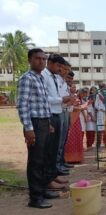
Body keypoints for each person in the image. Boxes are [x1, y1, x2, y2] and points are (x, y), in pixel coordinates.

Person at [17, 48, 58, 208]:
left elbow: (43, 103)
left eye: (43, 59)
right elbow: (22, 105)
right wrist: (28, 128)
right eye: (37, 58)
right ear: (30, 60)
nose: (41, 61)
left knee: (44, 159)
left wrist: (48, 123)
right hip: (34, 123)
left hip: (43, 123)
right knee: (35, 161)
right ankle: (35, 198)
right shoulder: (27, 79)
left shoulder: (40, 78)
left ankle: (42, 189)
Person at [42, 54, 72, 184]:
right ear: (51, 63)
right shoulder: (44, 76)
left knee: (56, 146)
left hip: (59, 111)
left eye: (62, 67)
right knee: (49, 149)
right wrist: (62, 100)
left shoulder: (54, 77)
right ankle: (48, 178)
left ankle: (53, 175)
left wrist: (66, 100)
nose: (61, 70)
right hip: (50, 115)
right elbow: (44, 98)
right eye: (59, 66)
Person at [56, 60, 75, 173]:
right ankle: (58, 166)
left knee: (63, 140)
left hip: (66, 112)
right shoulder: (57, 81)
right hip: (60, 111)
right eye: (65, 70)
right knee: (59, 141)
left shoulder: (64, 84)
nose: (69, 80)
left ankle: (61, 162)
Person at [64, 87, 89, 163]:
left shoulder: (77, 98)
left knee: (78, 136)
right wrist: (81, 107)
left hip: (77, 119)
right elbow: (70, 107)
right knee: (70, 138)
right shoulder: (73, 97)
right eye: (72, 87)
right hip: (72, 119)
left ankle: (77, 158)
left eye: (75, 87)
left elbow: (78, 107)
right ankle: (69, 158)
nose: (74, 89)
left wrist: (82, 107)